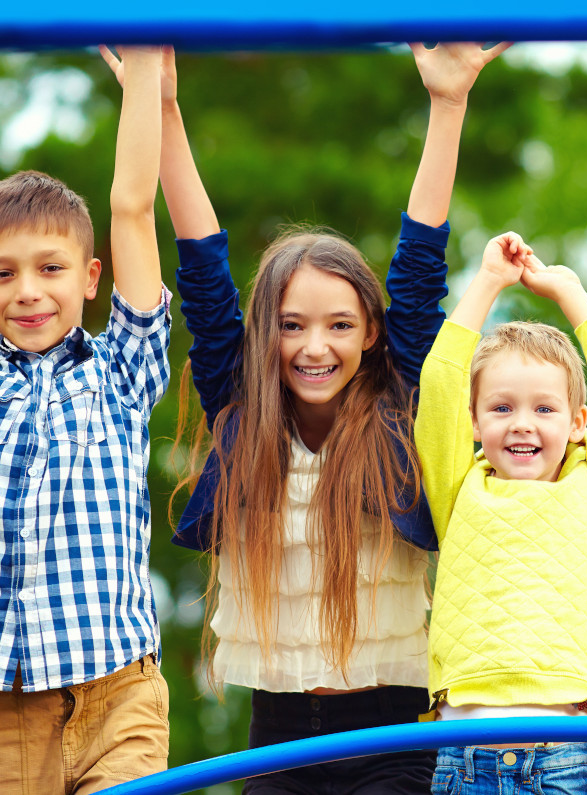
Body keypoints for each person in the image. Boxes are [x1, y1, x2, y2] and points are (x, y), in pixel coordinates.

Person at [102, 43, 505, 793]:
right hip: (278, 736)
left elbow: (419, 264)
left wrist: (448, 106)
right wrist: (163, 108)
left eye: (339, 326)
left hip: (394, 734)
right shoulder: (244, 410)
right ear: (267, 334)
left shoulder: (397, 407)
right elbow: (203, 265)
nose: (314, 347)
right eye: (292, 326)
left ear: (373, 334)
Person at [414, 231, 587, 794]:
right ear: (474, 422)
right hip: (463, 759)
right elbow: (441, 381)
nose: (521, 422)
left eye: (544, 408)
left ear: (577, 422)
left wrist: (571, 296)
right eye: (501, 407)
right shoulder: (458, 487)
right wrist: (489, 281)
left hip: (561, 757)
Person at [0, 48, 171, 792]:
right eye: (2, 272)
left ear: (91, 278)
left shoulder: (121, 372)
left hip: (117, 695)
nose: (27, 290)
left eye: (50, 267)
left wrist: (141, 72)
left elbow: (132, 207)